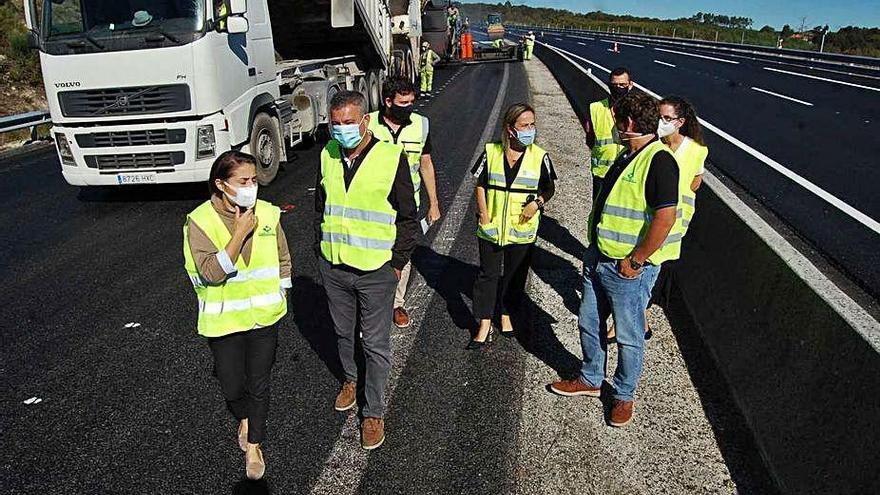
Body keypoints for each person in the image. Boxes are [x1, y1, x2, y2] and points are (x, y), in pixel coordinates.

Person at [549, 92, 682, 428]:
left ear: (630, 124)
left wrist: (636, 261)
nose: (615, 127)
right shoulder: (627, 155)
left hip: (626, 268)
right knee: (589, 322)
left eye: (618, 122)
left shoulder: (659, 161)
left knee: (628, 335)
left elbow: (665, 219)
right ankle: (591, 378)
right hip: (599, 256)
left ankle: (623, 395)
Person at [315, 91, 418, 450]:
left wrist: (395, 266)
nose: (341, 129)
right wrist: (322, 253)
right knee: (343, 333)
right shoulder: (327, 156)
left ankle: (373, 412)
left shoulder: (391, 158)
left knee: (375, 344)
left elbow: (408, 219)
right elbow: (322, 208)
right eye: (335, 123)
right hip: (335, 266)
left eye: (348, 122)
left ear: (365, 121)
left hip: (376, 270)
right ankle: (349, 380)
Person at [183, 151, 291, 480]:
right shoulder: (199, 221)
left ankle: (255, 444)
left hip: (263, 317)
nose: (251, 187)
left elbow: (283, 258)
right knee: (232, 386)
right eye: (242, 181)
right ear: (221, 184)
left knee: (259, 383)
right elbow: (211, 273)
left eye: (254, 180)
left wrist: (282, 291)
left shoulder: (269, 214)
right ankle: (242, 415)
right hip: (224, 321)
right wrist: (240, 233)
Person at [605, 97, 707, 343]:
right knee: (639, 277)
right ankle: (639, 322)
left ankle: (630, 325)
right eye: (659, 117)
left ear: (681, 122)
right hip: (645, 223)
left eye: (667, 118)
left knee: (649, 277)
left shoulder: (696, 150)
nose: (661, 122)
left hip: (671, 228)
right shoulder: (653, 145)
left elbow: (695, 183)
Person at [469, 103, 557, 349]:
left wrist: (537, 203)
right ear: (510, 129)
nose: (530, 130)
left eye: (532, 125)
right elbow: (480, 184)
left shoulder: (540, 157)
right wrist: (484, 215)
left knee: (514, 277)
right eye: (524, 125)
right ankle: (484, 323)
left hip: (522, 229)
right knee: (487, 276)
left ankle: (506, 314)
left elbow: (549, 188)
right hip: (492, 227)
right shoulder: (491, 152)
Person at [367, 77, 442, 329]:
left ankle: (397, 303)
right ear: (388, 101)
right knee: (374, 254)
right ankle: (372, 302)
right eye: (403, 102)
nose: (409, 107)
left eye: (412, 102)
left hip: (407, 204)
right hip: (373, 203)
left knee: (403, 252)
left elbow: (426, 163)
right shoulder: (368, 125)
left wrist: (433, 203)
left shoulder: (421, 125)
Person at [585, 67, 631, 198]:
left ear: (630, 85)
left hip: (628, 174)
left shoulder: (636, 110)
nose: (618, 88)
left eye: (622, 85)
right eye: (615, 85)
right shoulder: (596, 108)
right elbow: (590, 140)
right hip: (602, 173)